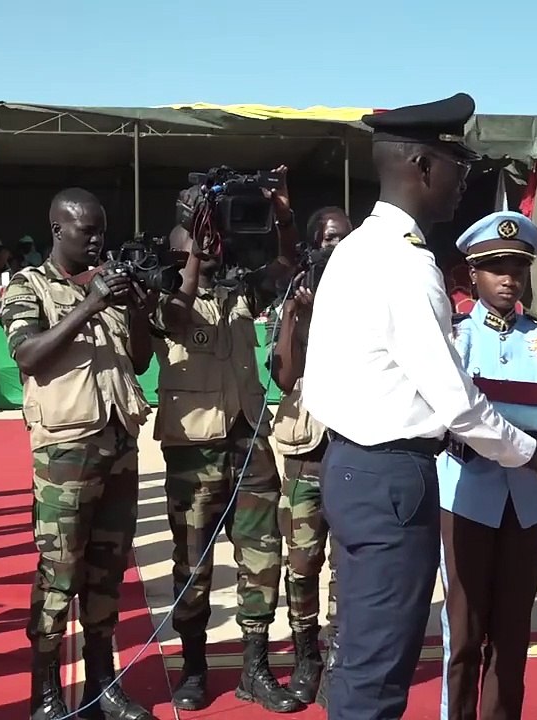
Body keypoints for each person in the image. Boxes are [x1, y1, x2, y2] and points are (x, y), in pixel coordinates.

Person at [301, 94, 537, 720]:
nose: (465, 181)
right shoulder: (406, 265)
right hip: (392, 479)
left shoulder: (353, 250)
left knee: (360, 655)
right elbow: (460, 407)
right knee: (379, 671)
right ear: (424, 167)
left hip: (351, 468)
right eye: (458, 164)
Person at [0, 188, 155, 720]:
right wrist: (90, 305)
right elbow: (27, 355)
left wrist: (134, 308)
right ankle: (45, 693)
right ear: (57, 230)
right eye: (86, 231)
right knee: (59, 572)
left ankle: (101, 685)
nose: (96, 241)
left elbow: (139, 356)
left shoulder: (109, 282)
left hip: (118, 443)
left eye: (101, 231)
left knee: (107, 571)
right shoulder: (29, 286)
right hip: (65, 451)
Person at [156, 164, 303, 713]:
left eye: (214, 239)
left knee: (264, 558)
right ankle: (194, 667)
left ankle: (255, 668)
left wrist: (283, 220)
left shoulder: (241, 288)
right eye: (199, 241)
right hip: (193, 448)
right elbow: (173, 317)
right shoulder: (165, 287)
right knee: (192, 566)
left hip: (249, 443)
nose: (213, 249)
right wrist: (195, 250)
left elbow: (286, 272)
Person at [437, 211, 537, 720]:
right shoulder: (453, 337)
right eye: (495, 267)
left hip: (526, 502)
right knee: (464, 635)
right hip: (466, 497)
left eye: (517, 268)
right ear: (472, 274)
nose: (508, 279)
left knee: (513, 635)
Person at [268, 205, 353, 709]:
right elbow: (283, 376)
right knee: (301, 563)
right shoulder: (295, 294)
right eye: (324, 238)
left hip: (350, 448)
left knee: (345, 566)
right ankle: (306, 657)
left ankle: (338, 659)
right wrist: (297, 315)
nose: (333, 246)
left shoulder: (366, 298)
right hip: (305, 453)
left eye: (341, 237)